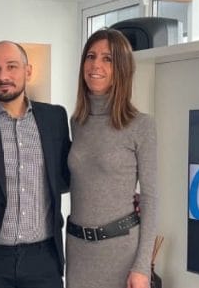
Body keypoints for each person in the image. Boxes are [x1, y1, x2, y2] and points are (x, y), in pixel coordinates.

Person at [0, 41, 71, 288]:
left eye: (12, 66)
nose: (3, 76)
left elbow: (67, 175)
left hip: (43, 260)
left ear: (28, 71)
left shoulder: (55, 118)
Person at [66, 29, 157, 288]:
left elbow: (151, 198)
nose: (96, 65)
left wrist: (142, 267)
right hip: (78, 252)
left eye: (107, 59)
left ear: (122, 68)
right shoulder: (78, 123)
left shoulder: (141, 125)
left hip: (121, 254)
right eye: (91, 56)